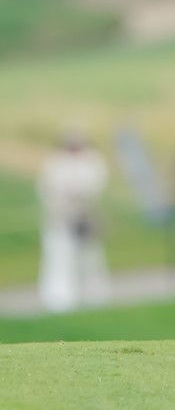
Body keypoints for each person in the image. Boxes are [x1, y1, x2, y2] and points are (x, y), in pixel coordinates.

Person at [37, 128, 110, 312]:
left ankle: (95, 295)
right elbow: (47, 188)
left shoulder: (92, 161)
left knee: (91, 257)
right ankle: (59, 298)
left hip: (85, 216)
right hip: (60, 217)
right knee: (60, 256)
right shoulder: (56, 162)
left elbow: (94, 185)